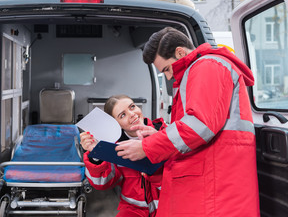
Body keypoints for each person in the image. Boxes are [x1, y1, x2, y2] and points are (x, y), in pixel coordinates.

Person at [115, 27, 260, 216]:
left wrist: (147, 147)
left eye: (167, 69)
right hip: (211, 184)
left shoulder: (207, 67)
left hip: (215, 190)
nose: (168, 76)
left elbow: (199, 126)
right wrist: (159, 136)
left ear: (180, 52)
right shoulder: (200, 70)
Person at [80, 95, 167, 217]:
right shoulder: (115, 148)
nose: (132, 114)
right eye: (123, 115)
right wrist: (96, 154)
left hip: (168, 205)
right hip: (134, 210)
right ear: (115, 124)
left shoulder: (165, 133)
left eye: (132, 107)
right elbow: (102, 183)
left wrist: (158, 144)